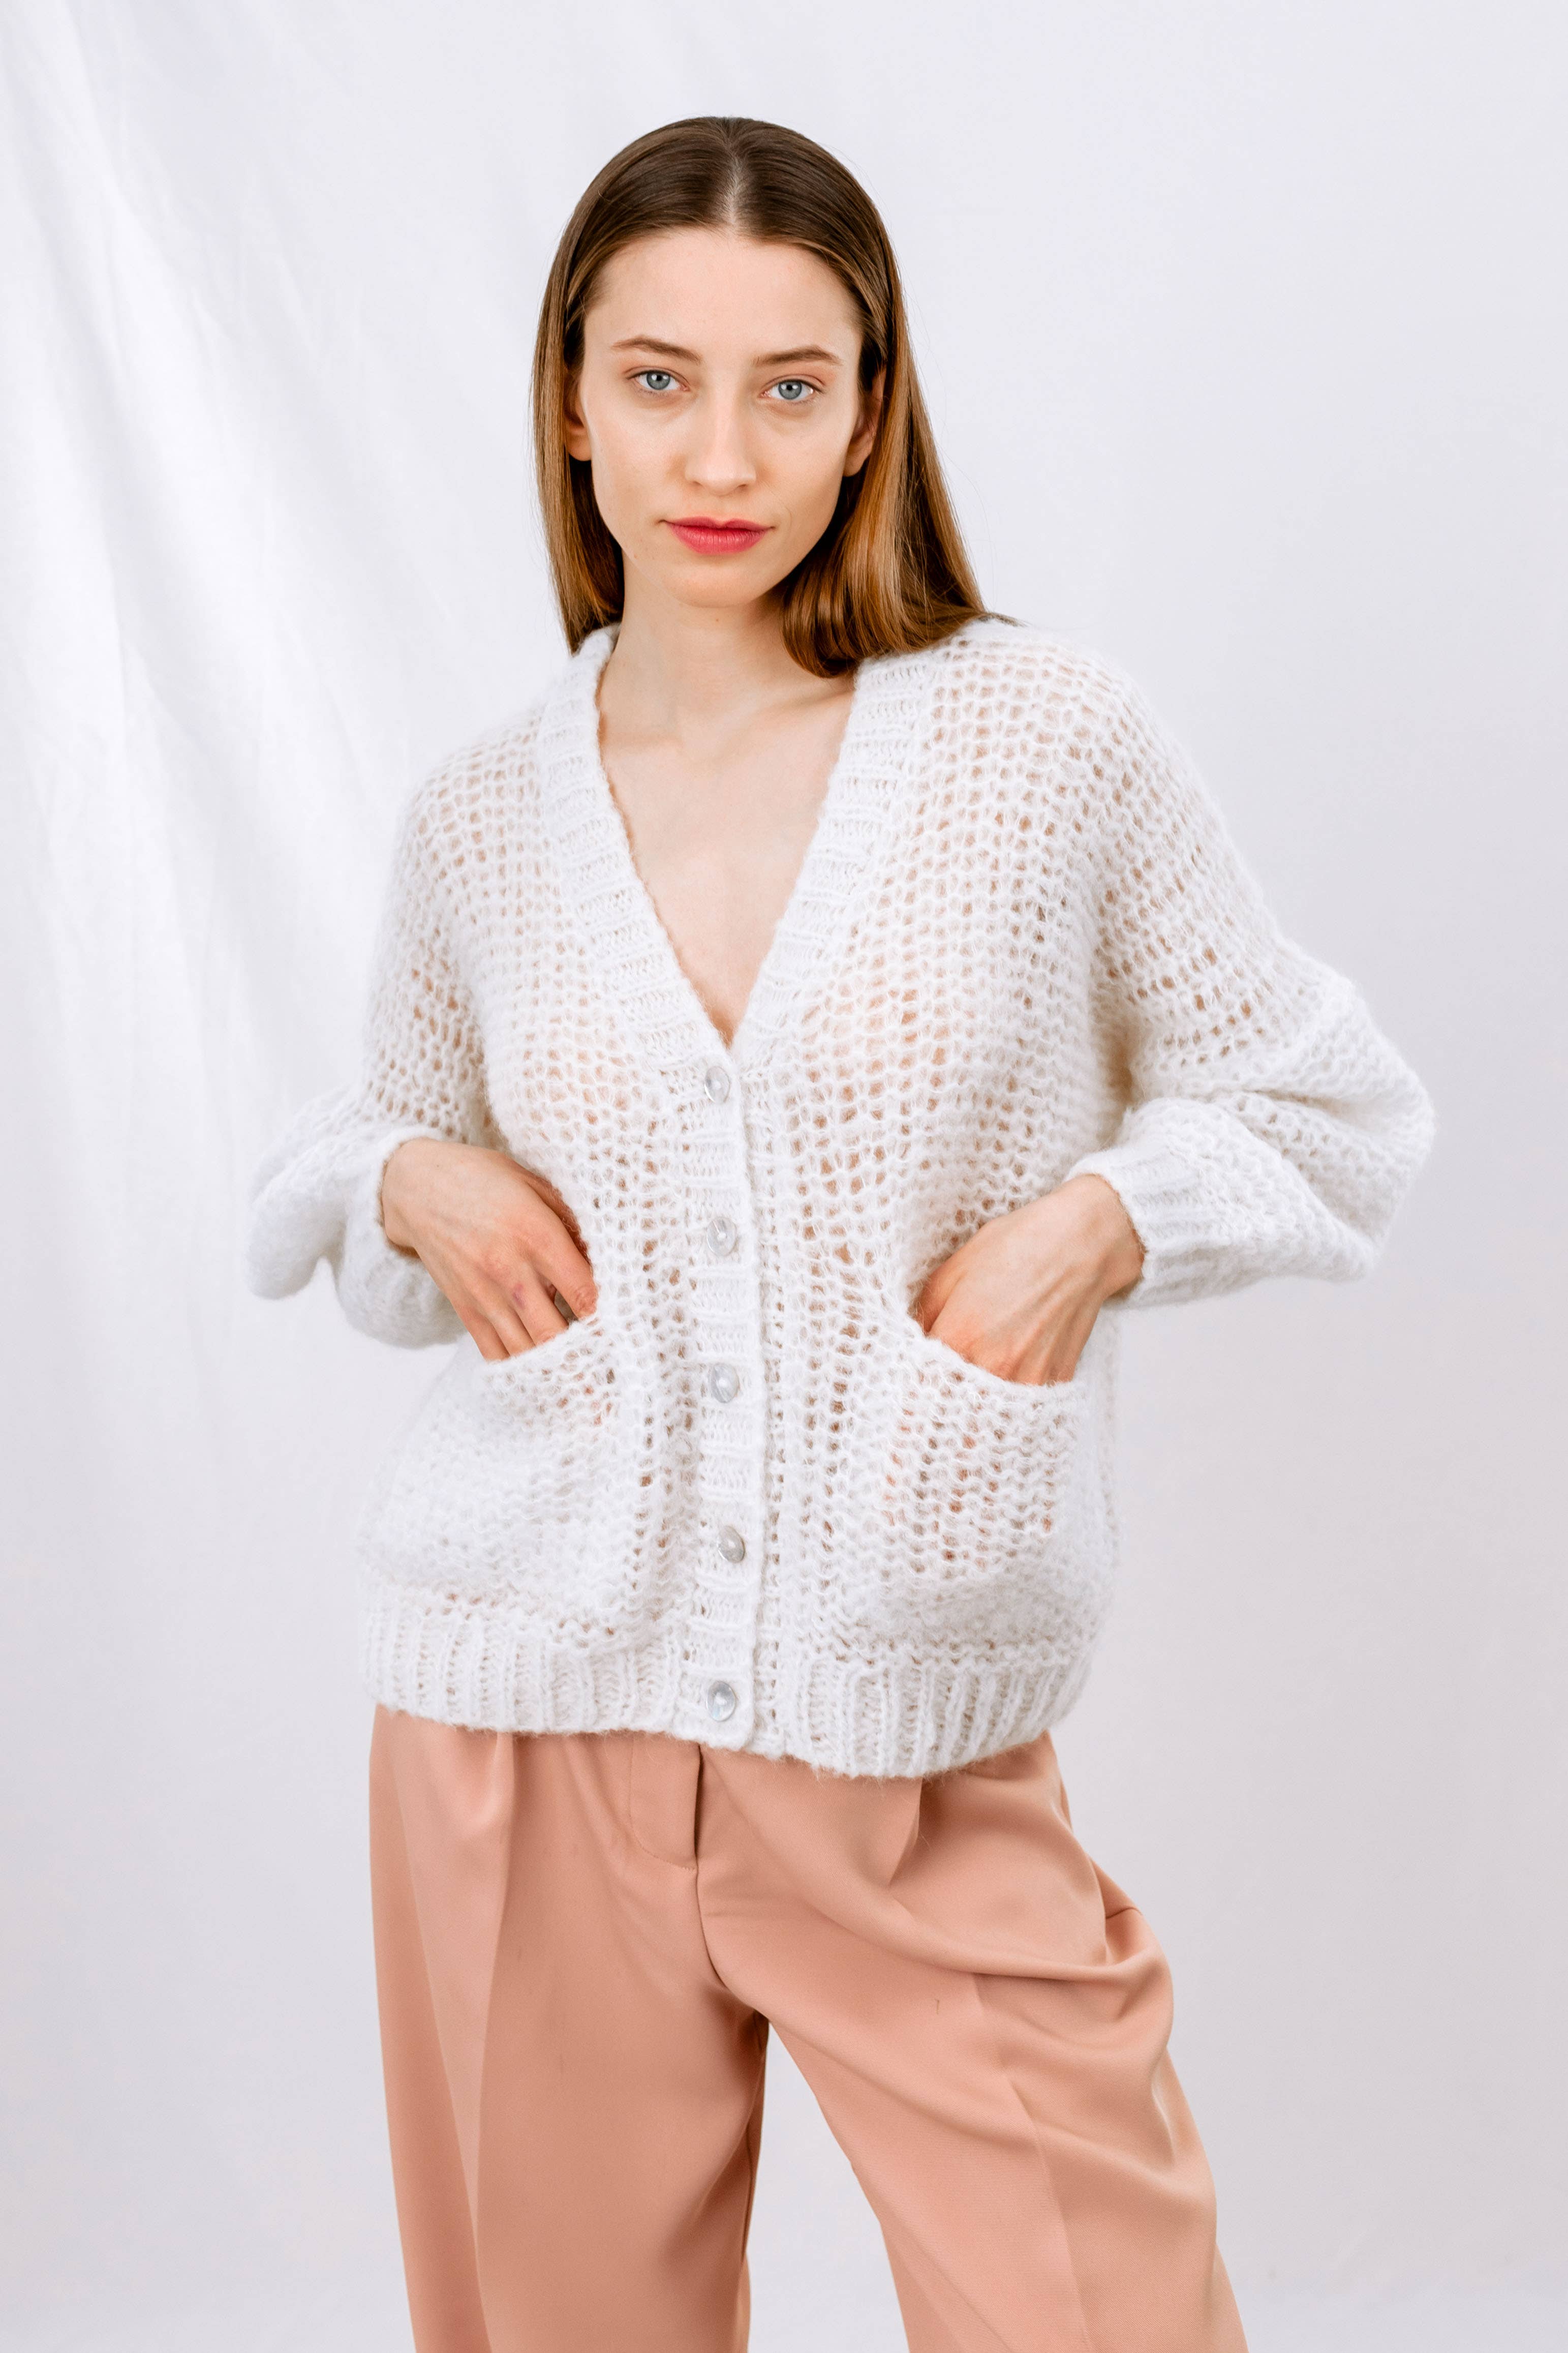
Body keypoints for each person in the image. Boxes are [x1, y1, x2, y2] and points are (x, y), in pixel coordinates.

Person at [247, 114, 1433, 2353]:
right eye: (659, 379)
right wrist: (400, 1173)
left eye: (791, 384)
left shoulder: (1041, 744)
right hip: (525, 1721)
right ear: (570, 404)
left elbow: (1332, 1106)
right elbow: (356, 1193)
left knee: (1100, 2309)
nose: (724, 454)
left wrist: (1096, 1222)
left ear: (873, 409)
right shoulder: (480, 819)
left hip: (907, 1725)